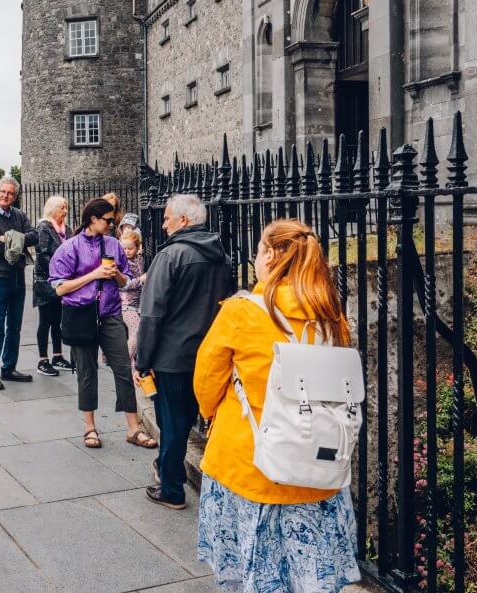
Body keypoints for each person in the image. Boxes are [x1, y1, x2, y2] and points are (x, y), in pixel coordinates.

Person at [194, 219, 359, 592]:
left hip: (249, 465)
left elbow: (206, 381)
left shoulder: (241, 312)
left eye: (257, 252)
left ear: (270, 255)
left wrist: (211, 417)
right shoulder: (331, 316)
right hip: (317, 467)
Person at [136, 193, 231, 510]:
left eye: (166, 218)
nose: (163, 225)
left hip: (172, 358)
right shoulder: (221, 256)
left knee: (173, 425)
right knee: (190, 420)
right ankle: (167, 471)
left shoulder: (171, 256)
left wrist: (143, 360)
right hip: (208, 357)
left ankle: (171, 489)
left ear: (184, 220)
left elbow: (151, 314)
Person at [49, 198, 156, 451]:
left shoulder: (113, 245)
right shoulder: (69, 248)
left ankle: (133, 428)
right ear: (93, 219)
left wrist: (116, 274)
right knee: (87, 372)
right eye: (108, 220)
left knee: (123, 368)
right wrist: (94, 274)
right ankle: (90, 427)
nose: (112, 224)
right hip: (80, 315)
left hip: (110, 313)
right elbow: (60, 288)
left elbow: (126, 282)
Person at [0, 177, 38, 390]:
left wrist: (9, 237)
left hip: (17, 275)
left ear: (15, 196)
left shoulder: (19, 215)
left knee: (15, 326)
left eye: (10, 193)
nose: (6, 196)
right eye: (3, 192)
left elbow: (35, 235)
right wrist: (12, 239)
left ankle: (9, 368)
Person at [31, 195, 73, 376]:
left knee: (58, 321)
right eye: (62, 207)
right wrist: (61, 271)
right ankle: (42, 360)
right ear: (53, 208)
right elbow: (43, 256)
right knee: (46, 321)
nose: (65, 211)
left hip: (62, 281)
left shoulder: (67, 230)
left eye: (66, 207)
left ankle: (57, 356)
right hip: (45, 282)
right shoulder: (43, 228)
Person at [118, 228, 146, 368]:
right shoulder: (122, 264)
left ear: (138, 247)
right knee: (137, 331)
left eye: (130, 248)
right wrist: (140, 280)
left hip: (139, 304)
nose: (127, 251)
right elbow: (122, 286)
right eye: (124, 248)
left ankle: (135, 366)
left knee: (138, 335)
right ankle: (125, 362)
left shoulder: (140, 259)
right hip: (126, 305)